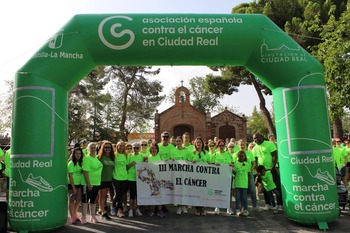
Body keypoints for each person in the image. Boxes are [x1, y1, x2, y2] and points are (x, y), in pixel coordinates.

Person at [252, 133, 280, 211]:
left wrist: (273, 167)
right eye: (254, 138)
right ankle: (268, 204)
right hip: (262, 172)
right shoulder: (254, 148)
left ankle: (279, 204)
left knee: (277, 186)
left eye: (256, 138)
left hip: (272, 169)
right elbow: (255, 160)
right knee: (266, 189)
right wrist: (258, 171)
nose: (255, 140)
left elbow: (275, 155)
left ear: (261, 137)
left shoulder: (269, 144)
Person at [233, 140, 258, 211]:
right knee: (241, 193)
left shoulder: (249, 153)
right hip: (240, 176)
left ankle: (255, 206)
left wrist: (250, 170)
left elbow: (254, 163)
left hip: (249, 174)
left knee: (252, 190)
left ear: (246, 145)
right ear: (238, 145)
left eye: (243, 144)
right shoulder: (235, 154)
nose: (242, 146)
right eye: (241, 144)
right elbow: (234, 165)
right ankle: (242, 207)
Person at [81, 142, 103, 223]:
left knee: (93, 200)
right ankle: (83, 217)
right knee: (85, 200)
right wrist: (89, 184)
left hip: (96, 183)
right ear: (88, 149)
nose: (93, 149)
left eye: (94, 147)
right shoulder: (86, 159)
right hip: (88, 183)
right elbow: (85, 172)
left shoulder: (96, 158)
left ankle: (93, 216)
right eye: (91, 148)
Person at [212, 139, 234, 215]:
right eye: (220, 145)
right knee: (217, 191)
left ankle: (228, 207)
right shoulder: (215, 154)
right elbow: (211, 164)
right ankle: (217, 207)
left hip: (227, 176)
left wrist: (231, 165)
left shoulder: (228, 154)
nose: (221, 147)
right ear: (217, 146)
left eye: (222, 145)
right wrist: (215, 164)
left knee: (228, 192)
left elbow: (233, 163)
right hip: (218, 177)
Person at [144, 142, 166, 217]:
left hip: (159, 179)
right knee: (151, 194)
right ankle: (152, 209)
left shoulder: (161, 157)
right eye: (152, 148)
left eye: (155, 148)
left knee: (159, 194)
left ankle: (160, 210)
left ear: (157, 149)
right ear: (150, 149)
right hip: (150, 180)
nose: (153, 150)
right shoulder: (147, 157)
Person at [171, 136, 191, 215]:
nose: (178, 142)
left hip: (184, 174)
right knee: (178, 190)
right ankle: (179, 206)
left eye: (180, 141)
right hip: (176, 174)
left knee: (184, 189)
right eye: (177, 141)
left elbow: (189, 160)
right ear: (176, 142)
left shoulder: (186, 151)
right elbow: (170, 160)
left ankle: (184, 206)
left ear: (182, 142)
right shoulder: (172, 150)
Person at [189, 137, 208, 216]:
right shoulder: (192, 153)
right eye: (197, 143)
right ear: (195, 144)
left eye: (200, 142)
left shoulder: (206, 153)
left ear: (202, 144)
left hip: (203, 175)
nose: (198, 144)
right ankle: (197, 209)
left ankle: (202, 208)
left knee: (203, 192)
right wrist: (191, 162)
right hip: (195, 176)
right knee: (196, 192)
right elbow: (188, 163)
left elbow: (209, 162)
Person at [126, 142, 146, 217]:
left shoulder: (142, 156)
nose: (135, 149)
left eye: (137, 148)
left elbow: (145, 166)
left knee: (138, 195)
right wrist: (131, 164)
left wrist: (145, 161)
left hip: (139, 179)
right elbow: (126, 167)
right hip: (131, 178)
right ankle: (131, 210)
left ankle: (137, 209)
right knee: (132, 195)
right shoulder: (129, 156)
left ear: (139, 148)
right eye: (134, 148)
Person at [97, 141, 115, 221]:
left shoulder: (112, 157)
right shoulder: (99, 157)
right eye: (106, 147)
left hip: (109, 179)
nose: (107, 149)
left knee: (104, 196)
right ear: (102, 148)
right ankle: (103, 212)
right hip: (101, 179)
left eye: (109, 147)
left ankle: (100, 210)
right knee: (102, 196)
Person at [111, 141, 128, 218]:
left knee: (121, 194)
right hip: (116, 177)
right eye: (119, 146)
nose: (121, 147)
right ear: (117, 147)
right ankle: (113, 205)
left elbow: (127, 166)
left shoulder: (126, 155)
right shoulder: (114, 155)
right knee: (117, 194)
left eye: (122, 146)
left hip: (125, 177)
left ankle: (119, 210)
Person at [67, 147, 84, 224]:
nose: (78, 155)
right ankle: (72, 217)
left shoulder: (81, 163)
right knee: (71, 200)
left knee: (78, 199)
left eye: (79, 153)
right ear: (73, 154)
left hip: (79, 184)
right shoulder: (71, 163)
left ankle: (75, 214)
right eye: (76, 153)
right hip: (72, 184)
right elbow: (70, 176)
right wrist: (73, 187)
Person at [233, 150, 251, 216]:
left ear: (244, 157)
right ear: (238, 157)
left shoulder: (247, 165)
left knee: (244, 197)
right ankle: (237, 209)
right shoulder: (236, 164)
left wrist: (249, 182)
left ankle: (245, 209)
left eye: (242, 156)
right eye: (240, 156)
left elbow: (249, 174)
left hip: (244, 183)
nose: (241, 157)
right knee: (237, 197)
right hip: (238, 183)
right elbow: (234, 173)